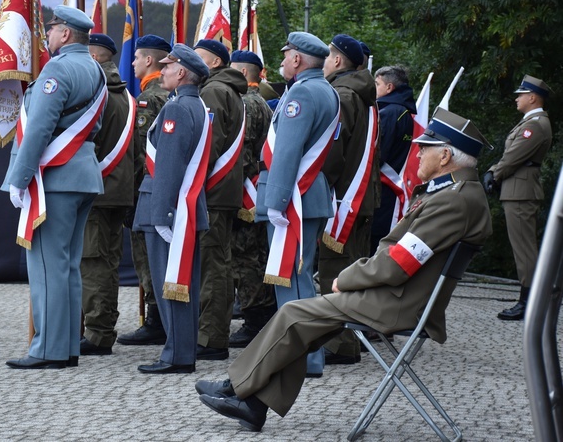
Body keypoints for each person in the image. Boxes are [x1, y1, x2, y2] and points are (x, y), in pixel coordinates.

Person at [195, 108, 493, 432]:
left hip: (400, 303)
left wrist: (347, 279)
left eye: (426, 147)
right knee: (307, 321)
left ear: (446, 155)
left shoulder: (453, 201)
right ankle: (252, 402)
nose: (417, 151)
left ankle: (237, 388)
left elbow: (397, 264)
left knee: (294, 314)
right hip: (401, 296)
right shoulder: (458, 195)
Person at [3, 5, 106, 369]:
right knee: (67, 266)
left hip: (55, 178)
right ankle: (66, 348)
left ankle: (48, 349)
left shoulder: (59, 68)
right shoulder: (95, 69)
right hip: (83, 175)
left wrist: (19, 176)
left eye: (52, 29)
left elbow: (40, 128)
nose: (47, 34)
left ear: (65, 34)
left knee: (48, 265)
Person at [256, 32, 339, 377]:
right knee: (299, 275)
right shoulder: (326, 90)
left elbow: (288, 151)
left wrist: (275, 202)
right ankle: (306, 355)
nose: (283, 60)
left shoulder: (302, 93)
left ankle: (299, 355)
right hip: (309, 194)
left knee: (291, 277)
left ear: (299, 60)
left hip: (293, 197)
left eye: (287, 54)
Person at [132, 43, 212, 374]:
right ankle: (180, 351)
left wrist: (162, 214)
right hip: (183, 206)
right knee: (181, 283)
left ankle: (176, 355)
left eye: (167, 66)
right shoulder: (197, 106)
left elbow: (167, 165)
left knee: (173, 284)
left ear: (181, 73)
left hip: (168, 207)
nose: (161, 70)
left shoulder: (177, 109)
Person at [319, 33, 379, 365]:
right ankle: (348, 342)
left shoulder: (342, 94)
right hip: (362, 196)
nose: (325, 63)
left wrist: (319, 183)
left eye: (328, 57)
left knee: (335, 271)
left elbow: (333, 152)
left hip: (343, 198)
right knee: (352, 269)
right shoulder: (365, 95)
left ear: (338, 60)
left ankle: (339, 345)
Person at [79, 33, 135, 355]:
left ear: (96, 58)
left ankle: (98, 334)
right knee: (107, 263)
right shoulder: (126, 96)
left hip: (96, 193)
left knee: (94, 264)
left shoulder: (96, 96)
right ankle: (101, 327)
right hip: (118, 191)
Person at [193, 39, 248, 361]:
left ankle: (210, 337)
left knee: (213, 266)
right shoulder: (225, 89)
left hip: (213, 192)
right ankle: (212, 333)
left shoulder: (214, 92)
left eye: (197, 58)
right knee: (219, 263)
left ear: (213, 62)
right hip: (223, 191)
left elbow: (207, 147)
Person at [117, 34, 172, 346]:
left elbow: (142, 154)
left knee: (148, 257)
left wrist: (132, 197)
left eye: (137, 58)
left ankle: (156, 320)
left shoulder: (149, 99)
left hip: (147, 192)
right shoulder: (165, 95)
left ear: (149, 60)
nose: (133, 63)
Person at [485, 75, 553, 321]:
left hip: (521, 192)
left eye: (521, 94)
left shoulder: (534, 124)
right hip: (519, 191)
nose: (517, 98)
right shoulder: (533, 122)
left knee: (525, 250)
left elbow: (513, 157)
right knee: (523, 248)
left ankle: (529, 303)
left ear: (532, 97)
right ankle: (530, 300)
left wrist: (493, 173)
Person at [227, 50, 276, 347]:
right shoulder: (260, 103)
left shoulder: (245, 103)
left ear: (244, 74)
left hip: (247, 191)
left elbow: (243, 156)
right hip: (257, 188)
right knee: (255, 256)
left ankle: (255, 320)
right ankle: (257, 315)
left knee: (246, 260)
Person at [370, 65, 417, 254]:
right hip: (388, 187)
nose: (374, 88)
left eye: (377, 84)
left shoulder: (389, 113)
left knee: (375, 240)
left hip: (381, 186)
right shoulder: (404, 112)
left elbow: (378, 153)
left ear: (389, 87)